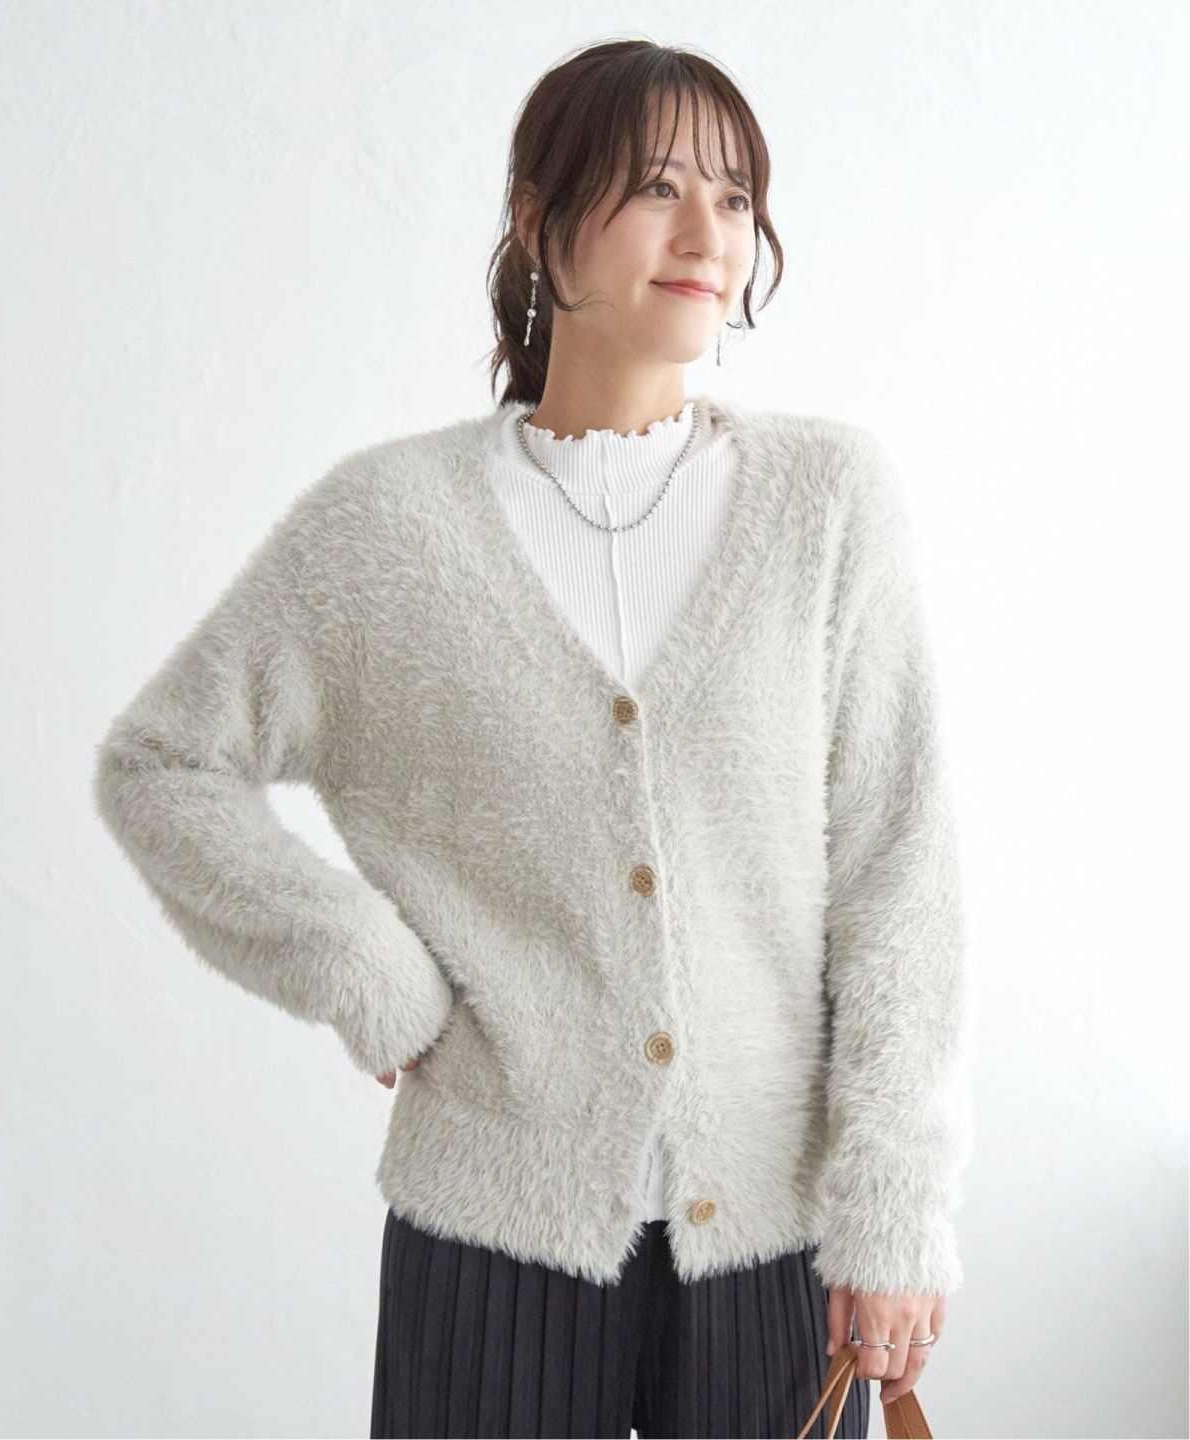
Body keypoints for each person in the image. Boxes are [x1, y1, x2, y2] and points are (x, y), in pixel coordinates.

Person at [94, 37, 973, 1440]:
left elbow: (897, 875)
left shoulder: (828, 504)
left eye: (737, 198)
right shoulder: (387, 532)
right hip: (490, 1234)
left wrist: (896, 1207)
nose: (708, 236)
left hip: (775, 1245)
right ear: (538, 218)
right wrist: (367, 967)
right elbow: (161, 764)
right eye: (658, 187)